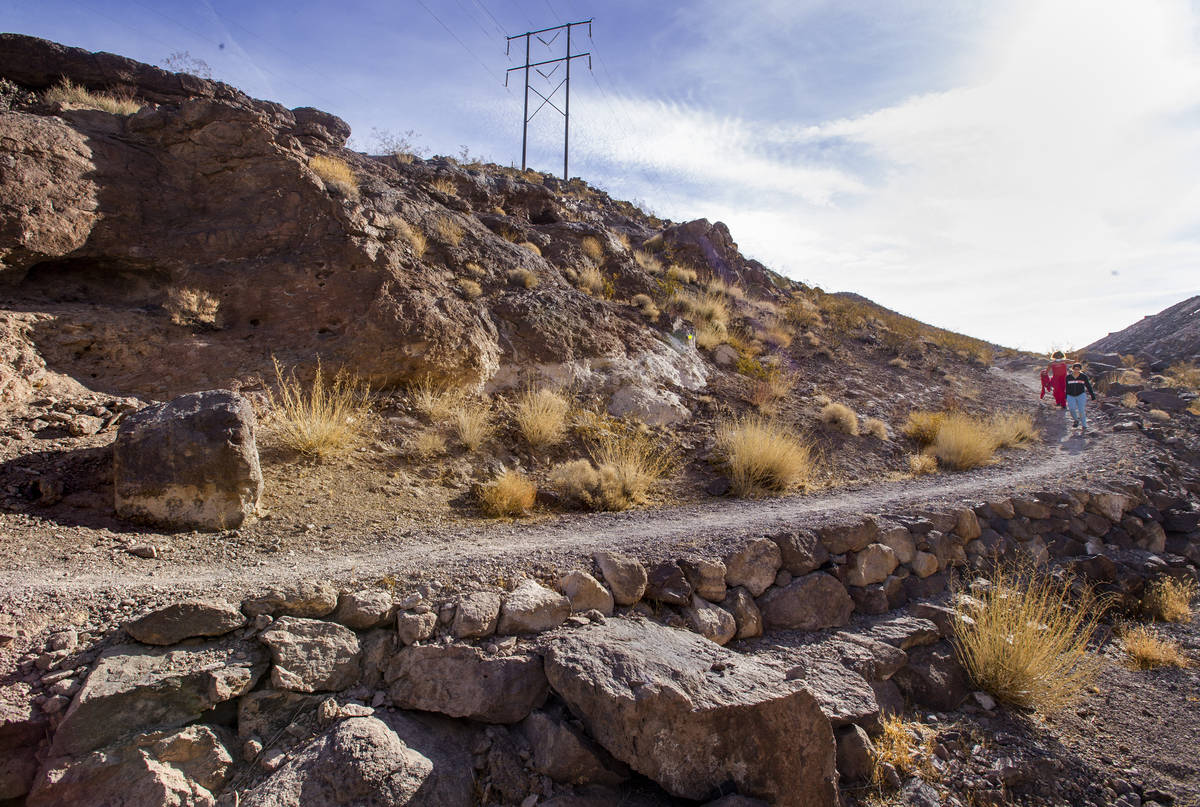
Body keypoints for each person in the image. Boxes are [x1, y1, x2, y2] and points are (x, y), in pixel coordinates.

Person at [1064, 362, 1097, 432]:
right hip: (1070, 395)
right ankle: (1076, 420)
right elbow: (1066, 387)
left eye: (1078, 369)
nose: (1076, 370)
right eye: (1075, 369)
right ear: (1072, 369)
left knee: (1081, 410)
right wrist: (1065, 396)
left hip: (1081, 395)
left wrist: (1093, 396)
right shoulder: (1068, 377)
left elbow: (1088, 386)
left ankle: (1084, 425)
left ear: (1080, 369)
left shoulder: (1083, 377)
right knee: (1071, 409)